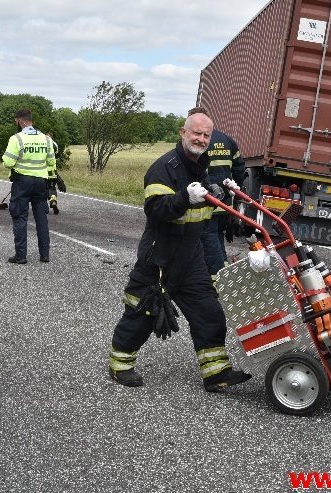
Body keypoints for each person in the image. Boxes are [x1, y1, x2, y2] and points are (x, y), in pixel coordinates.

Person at [108, 112, 251, 391]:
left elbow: (203, 211)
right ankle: (120, 365)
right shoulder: (164, 168)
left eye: (206, 135)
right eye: (196, 133)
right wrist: (184, 198)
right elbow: (156, 210)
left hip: (191, 254)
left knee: (208, 311)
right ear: (182, 132)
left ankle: (216, 373)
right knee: (142, 313)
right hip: (159, 255)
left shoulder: (202, 165)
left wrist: (221, 194)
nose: (200, 139)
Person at [188, 107, 245, 278]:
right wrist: (234, 191)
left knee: (209, 238)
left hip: (208, 202)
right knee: (217, 237)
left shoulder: (199, 141)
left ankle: (217, 278)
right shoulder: (228, 140)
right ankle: (224, 270)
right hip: (226, 203)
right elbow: (239, 167)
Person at [2, 109, 53, 264]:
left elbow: (8, 162)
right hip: (40, 183)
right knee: (41, 219)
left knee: (19, 216)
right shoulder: (46, 139)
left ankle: (21, 255)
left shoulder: (16, 138)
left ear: (20, 121)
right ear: (31, 120)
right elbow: (51, 162)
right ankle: (44, 255)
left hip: (22, 182)